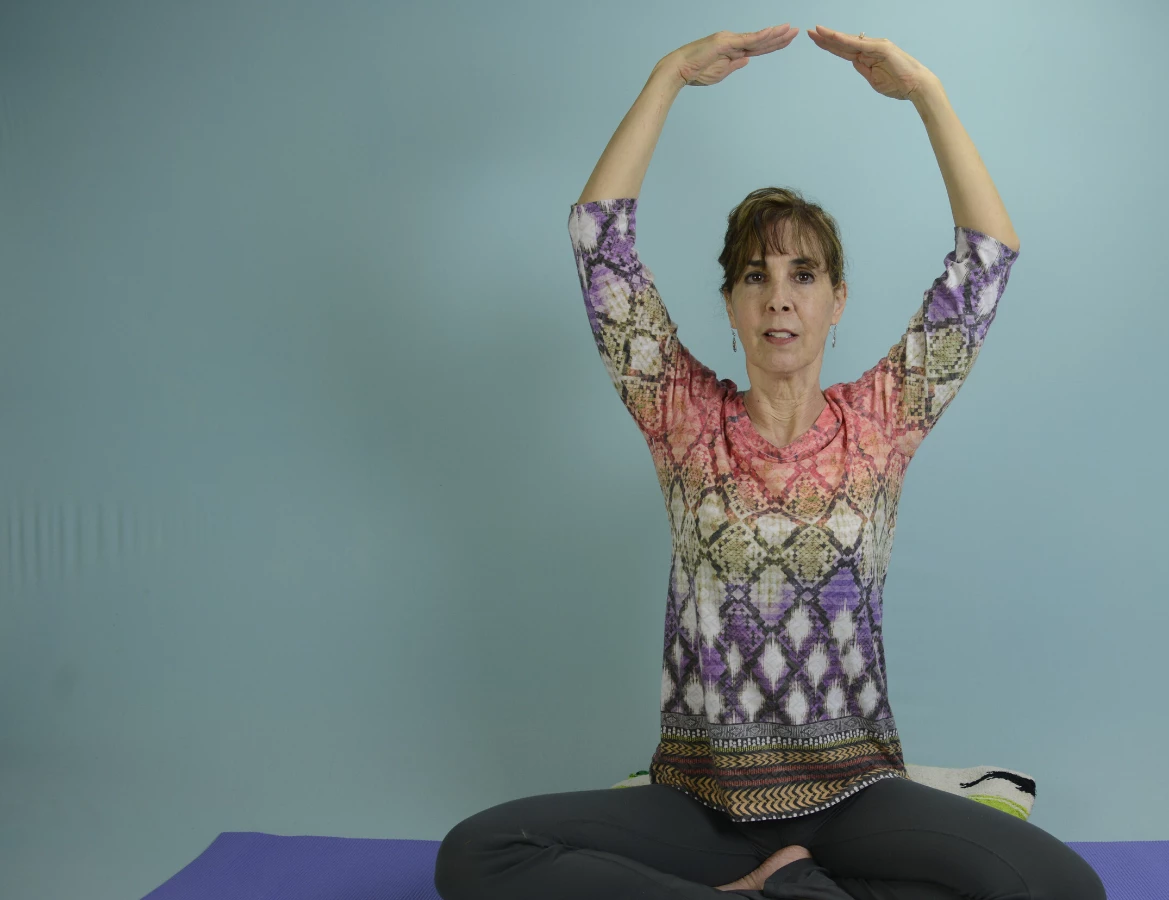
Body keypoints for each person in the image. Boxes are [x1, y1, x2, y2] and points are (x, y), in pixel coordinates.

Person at [435, 23, 1105, 900]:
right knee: (477, 854)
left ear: (837, 300)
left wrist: (927, 93)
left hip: (856, 795)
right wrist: (669, 74)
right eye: (755, 277)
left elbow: (988, 255)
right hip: (704, 806)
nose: (779, 297)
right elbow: (599, 240)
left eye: (803, 275)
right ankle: (767, 894)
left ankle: (793, 885)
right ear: (730, 303)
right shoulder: (682, 417)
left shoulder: (881, 419)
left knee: (1065, 891)